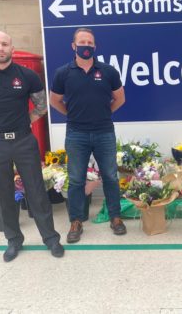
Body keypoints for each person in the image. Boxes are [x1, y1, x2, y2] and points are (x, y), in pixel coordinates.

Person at [0, 31, 64, 262]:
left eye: (4, 44)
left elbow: (41, 106)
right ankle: (14, 240)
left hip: (24, 141)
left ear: (12, 48)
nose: (0, 48)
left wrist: (25, 121)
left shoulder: (27, 76)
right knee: (4, 193)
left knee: (37, 191)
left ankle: (51, 238)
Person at [50, 28, 126, 243]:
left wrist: (105, 113)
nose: (86, 45)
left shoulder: (108, 71)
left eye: (90, 42)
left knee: (110, 176)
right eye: (82, 42)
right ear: (73, 46)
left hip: (104, 132)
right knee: (75, 180)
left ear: (95, 47)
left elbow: (120, 98)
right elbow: (54, 100)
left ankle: (115, 217)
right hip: (76, 133)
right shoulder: (62, 73)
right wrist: (71, 115)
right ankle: (76, 220)